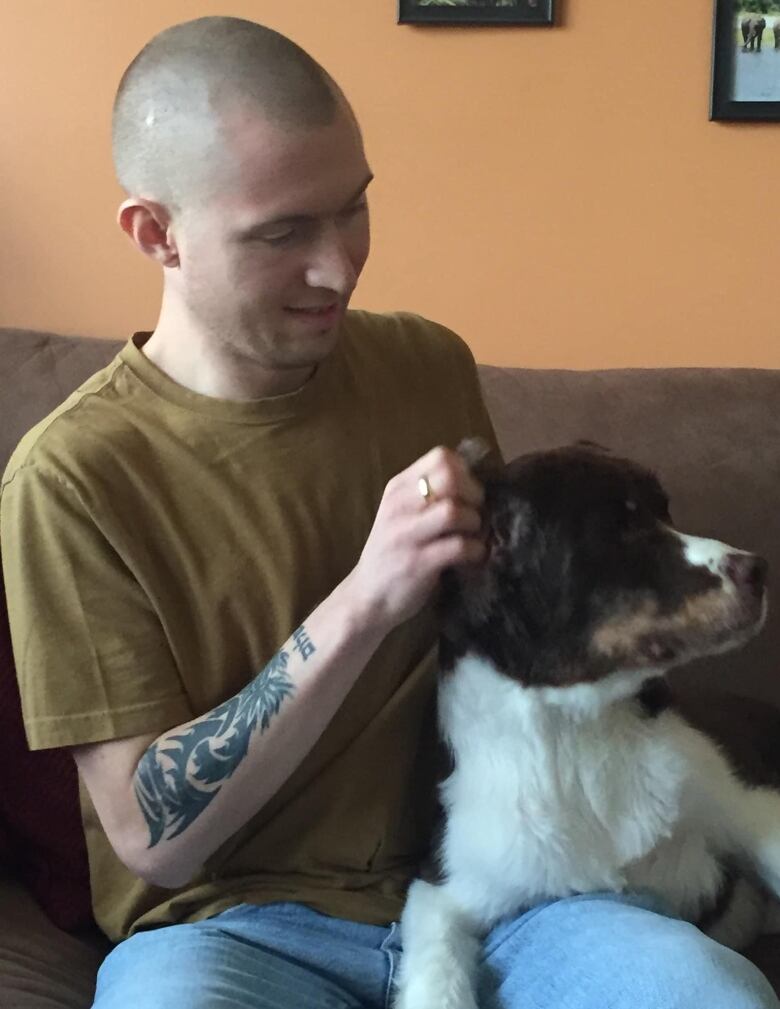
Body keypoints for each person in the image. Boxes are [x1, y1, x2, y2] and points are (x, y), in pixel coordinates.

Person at [0, 16, 776, 1009]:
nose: (339, 265)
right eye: (283, 233)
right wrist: (366, 597)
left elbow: (531, 637)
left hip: (501, 898)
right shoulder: (72, 478)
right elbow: (155, 837)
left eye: (352, 209)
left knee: (708, 992)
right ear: (155, 233)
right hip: (233, 925)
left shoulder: (426, 366)